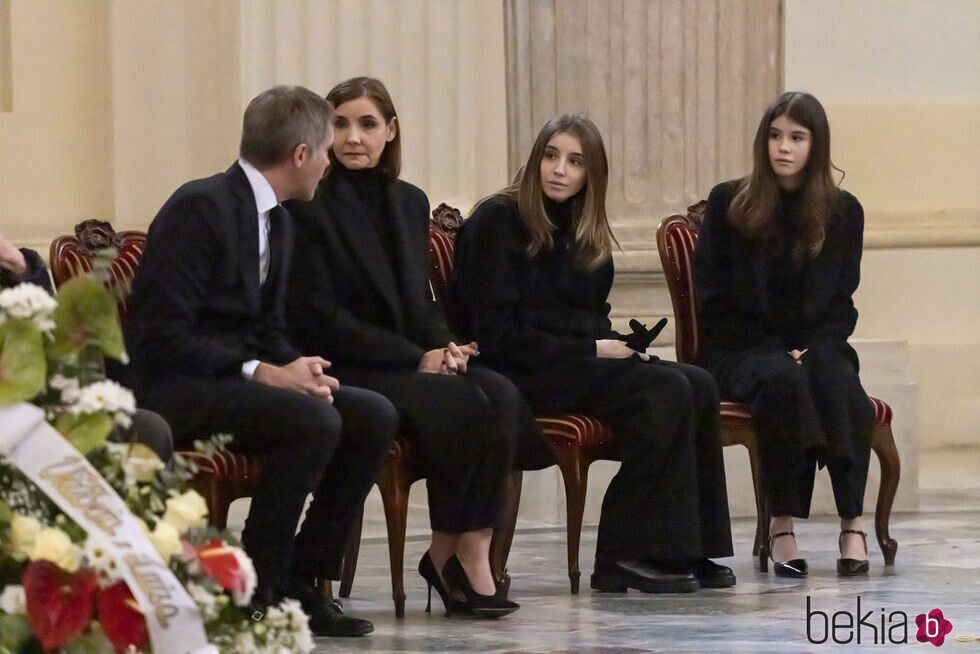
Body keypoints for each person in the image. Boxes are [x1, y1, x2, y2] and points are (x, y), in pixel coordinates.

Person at [122, 86, 398, 636]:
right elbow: (162, 335)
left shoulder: (281, 219)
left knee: (371, 414)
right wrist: (262, 372)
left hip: (236, 381)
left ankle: (302, 579)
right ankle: (255, 587)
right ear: (300, 155)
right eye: (324, 148)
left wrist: (300, 368)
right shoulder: (200, 208)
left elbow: (267, 329)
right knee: (313, 420)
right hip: (174, 387)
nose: (329, 160)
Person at [285, 77, 554, 618]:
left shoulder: (410, 202)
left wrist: (447, 345)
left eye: (367, 124)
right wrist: (418, 358)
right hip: (349, 363)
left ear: (391, 131)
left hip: (409, 357)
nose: (352, 137)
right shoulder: (307, 204)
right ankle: (458, 562)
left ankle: (461, 551)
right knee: (460, 402)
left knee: (497, 390)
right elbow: (321, 318)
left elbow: (420, 299)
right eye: (340, 124)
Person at [452, 114, 734, 594]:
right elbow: (495, 334)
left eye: (575, 162)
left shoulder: (586, 234)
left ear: (591, 175)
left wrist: (621, 347)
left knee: (698, 384)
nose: (559, 170)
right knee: (663, 392)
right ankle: (621, 556)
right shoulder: (496, 221)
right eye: (551, 155)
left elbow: (587, 320)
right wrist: (591, 348)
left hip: (571, 363)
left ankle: (689, 547)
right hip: (515, 370)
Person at [693, 91, 874, 578]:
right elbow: (713, 301)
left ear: (816, 146)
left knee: (837, 379)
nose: (783, 148)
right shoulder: (729, 203)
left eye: (796, 137)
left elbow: (841, 303)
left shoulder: (844, 213)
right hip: (742, 347)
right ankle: (782, 525)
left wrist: (810, 348)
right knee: (782, 382)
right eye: (775, 136)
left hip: (817, 343)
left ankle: (852, 522)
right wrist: (779, 351)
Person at [0, 233, 174, 463]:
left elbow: (55, 333)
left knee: (149, 430)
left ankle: (146, 499)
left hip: (41, 404)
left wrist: (22, 268)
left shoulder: (9, 270)